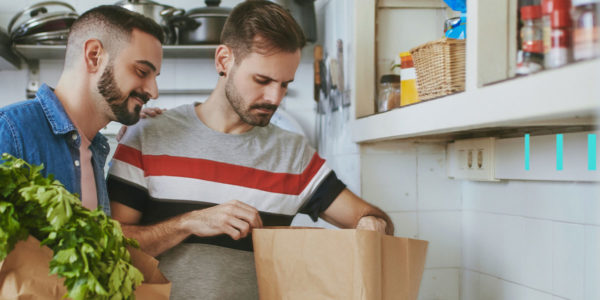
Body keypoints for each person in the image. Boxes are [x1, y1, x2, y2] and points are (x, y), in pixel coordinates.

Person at [107, 1, 394, 299]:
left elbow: (370, 217)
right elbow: (111, 245)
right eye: (262, 80)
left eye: (285, 84)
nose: (274, 97)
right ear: (224, 60)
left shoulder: (293, 155)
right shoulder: (148, 136)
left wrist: (373, 224)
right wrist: (188, 223)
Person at [0, 5, 164, 215]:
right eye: (142, 71)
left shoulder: (95, 148)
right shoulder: (11, 131)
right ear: (94, 56)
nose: (153, 91)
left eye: (154, 77)